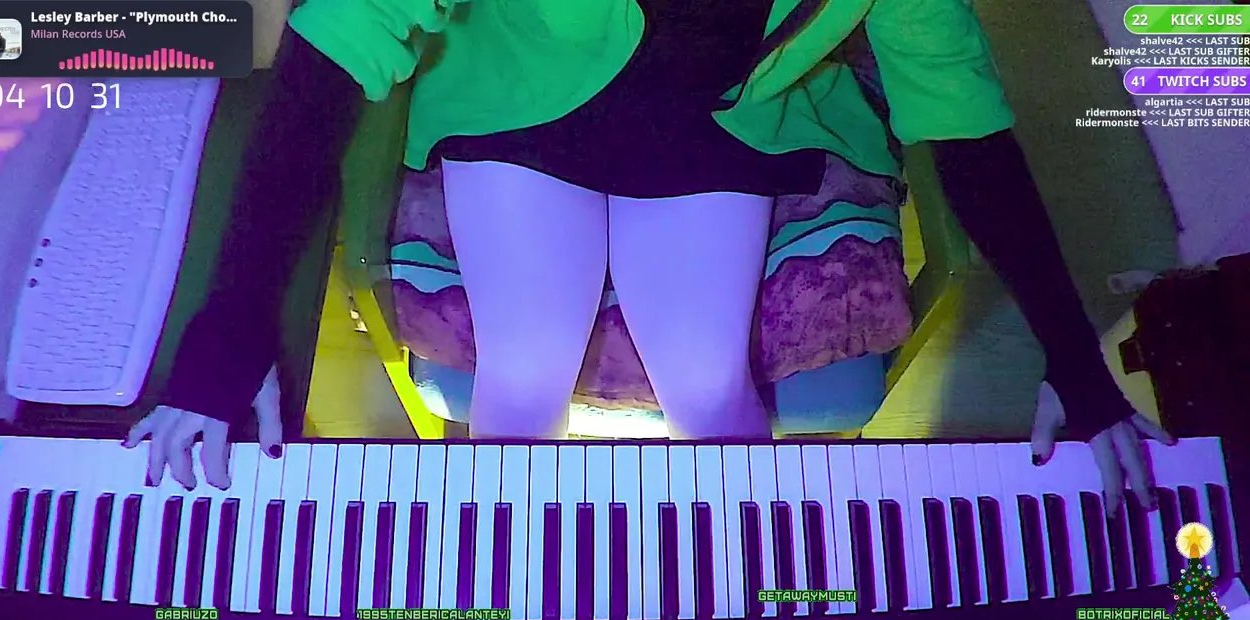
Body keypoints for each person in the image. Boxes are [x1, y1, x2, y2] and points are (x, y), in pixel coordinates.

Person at [125, 0, 1172, 512]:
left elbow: (966, 127)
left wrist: (1073, 361)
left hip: (723, 119)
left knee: (709, 387)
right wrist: (230, 328)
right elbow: (324, 57)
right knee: (520, 379)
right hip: (522, 101)